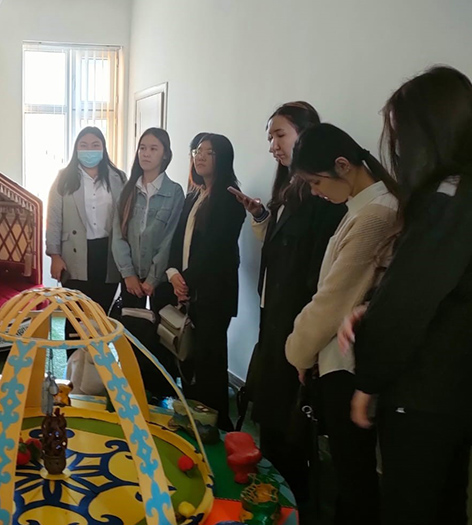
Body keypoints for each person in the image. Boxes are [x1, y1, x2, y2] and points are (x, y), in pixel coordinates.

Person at [340, 66, 472, 525]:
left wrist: (368, 381)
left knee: (411, 506)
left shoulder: (448, 197)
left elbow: (409, 301)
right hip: (456, 390)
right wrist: (371, 306)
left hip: (424, 393)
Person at [285, 123, 400, 525]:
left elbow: (334, 300)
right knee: (349, 473)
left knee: (355, 478)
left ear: (342, 165)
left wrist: (297, 352)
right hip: (336, 357)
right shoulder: (363, 208)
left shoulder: (377, 214)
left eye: (316, 182)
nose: (316, 191)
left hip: (349, 364)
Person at [232, 102, 345, 509]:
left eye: (279, 134)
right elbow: (282, 250)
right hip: (276, 322)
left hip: (300, 327)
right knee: (273, 423)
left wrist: (308, 345)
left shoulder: (323, 198)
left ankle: (291, 505)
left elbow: (319, 275)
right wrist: (263, 215)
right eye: (270, 138)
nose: (273, 146)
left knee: (292, 430)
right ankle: (273, 499)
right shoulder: (289, 191)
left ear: (306, 133)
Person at [167, 133, 245, 431]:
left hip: (214, 294)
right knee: (190, 358)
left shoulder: (230, 198)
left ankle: (216, 425)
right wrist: (174, 274)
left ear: (222, 158)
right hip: (189, 288)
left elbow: (216, 250)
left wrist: (185, 280)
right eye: (197, 151)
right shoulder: (195, 194)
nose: (199, 156)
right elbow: (179, 240)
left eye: (208, 152)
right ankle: (193, 417)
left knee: (210, 362)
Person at [46, 126, 126, 337]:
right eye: (84, 145)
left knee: (100, 316)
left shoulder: (118, 178)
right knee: (75, 316)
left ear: (103, 148)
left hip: (107, 253)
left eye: (95, 145)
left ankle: (96, 357)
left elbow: (126, 218)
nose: (89, 150)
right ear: (76, 149)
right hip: (74, 253)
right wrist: (54, 256)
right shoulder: (64, 178)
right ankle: (73, 357)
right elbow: (53, 219)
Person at [112, 127, 184, 311]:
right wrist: (128, 274)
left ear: (165, 154)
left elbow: (170, 239)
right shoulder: (128, 190)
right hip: (131, 277)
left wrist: (153, 278)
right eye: (142, 148)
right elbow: (118, 236)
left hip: (162, 278)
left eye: (153, 149)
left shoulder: (174, 192)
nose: (146, 154)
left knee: (162, 325)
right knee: (131, 325)